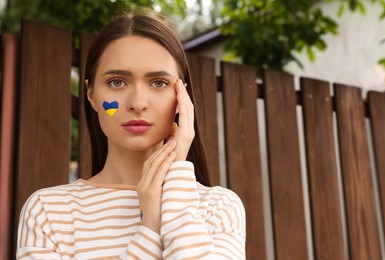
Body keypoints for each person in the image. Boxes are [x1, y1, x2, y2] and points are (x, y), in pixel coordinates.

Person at [16, 8, 245, 259]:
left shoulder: (219, 207)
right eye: (117, 82)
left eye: (159, 83)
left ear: (182, 97)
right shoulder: (48, 211)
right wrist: (149, 227)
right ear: (91, 95)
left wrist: (175, 188)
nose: (137, 103)